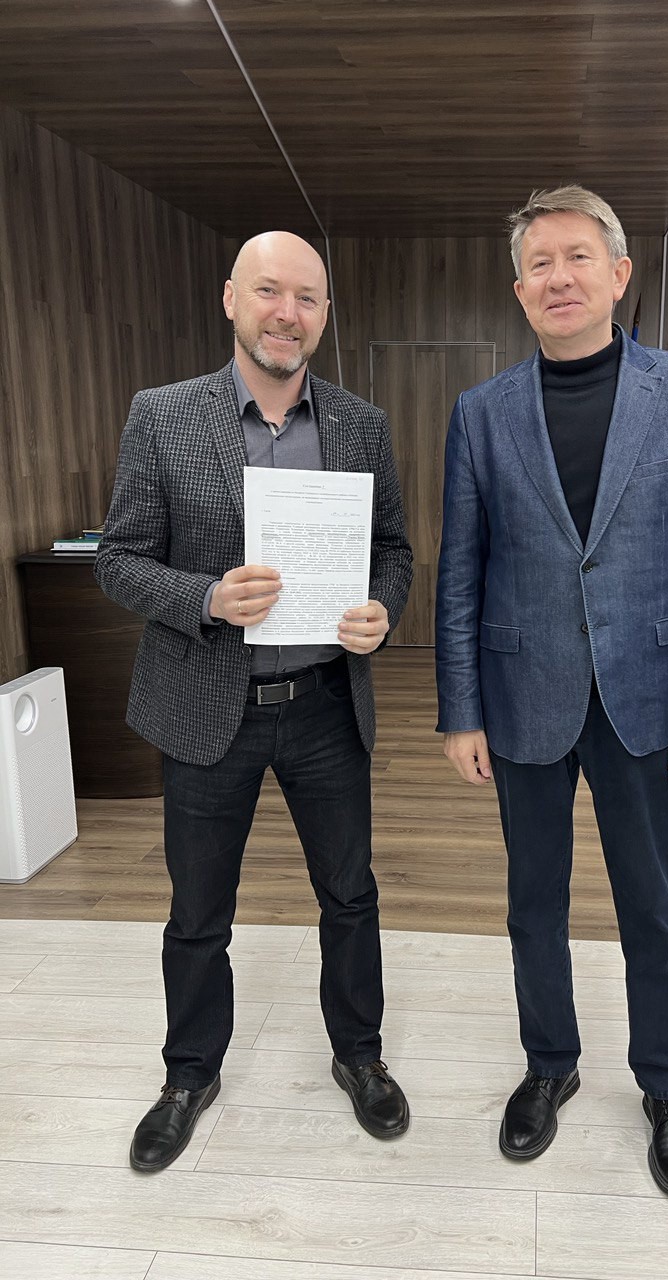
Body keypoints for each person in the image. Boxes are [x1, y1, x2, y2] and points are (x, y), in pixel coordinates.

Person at [435, 186, 668, 1199]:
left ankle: (667, 1085)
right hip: (521, 693)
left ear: (618, 275)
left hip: (649, 698)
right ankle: (550, 1063)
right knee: (533, 902)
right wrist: (460, 708)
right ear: (519, 288)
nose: (558, 277)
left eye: (577, 257)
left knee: (651, 904)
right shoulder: (480, 412)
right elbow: (460, 571)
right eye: (539, 263)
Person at [96, 231, 413, 1173]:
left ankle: (360, 1055)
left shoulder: (361, 423)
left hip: (324, 703)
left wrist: (383, 610)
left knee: (350, 895)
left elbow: (393, 550)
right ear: (231, 298)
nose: (288, 313)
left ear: (325, 315)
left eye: (307, 297)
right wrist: (203, 597)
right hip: (206, 706)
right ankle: (188, 1075)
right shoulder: (162, 415)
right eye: (270, 291)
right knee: (198, 909)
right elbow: (119, 559)